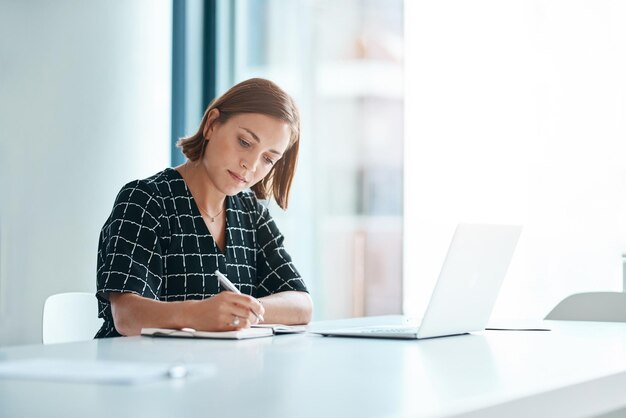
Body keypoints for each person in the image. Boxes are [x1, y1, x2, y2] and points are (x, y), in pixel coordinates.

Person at [95, 78, 312, 338]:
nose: (251, 165)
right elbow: (127, 316)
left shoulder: (252, 214)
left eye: (268, 158)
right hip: (139, 370)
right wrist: (199, 314)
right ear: (211, 125)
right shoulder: (146, 200)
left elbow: (302, 306)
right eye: (244, 142)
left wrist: (242, 310)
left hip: (216, 372)